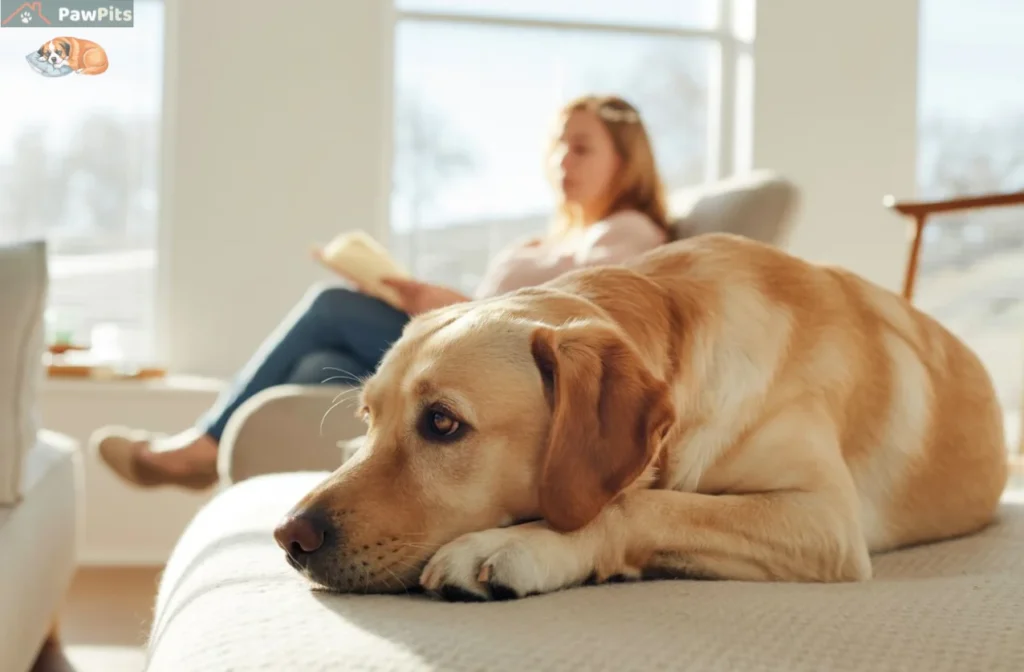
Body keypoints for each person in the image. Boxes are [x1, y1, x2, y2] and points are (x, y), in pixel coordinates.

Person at [92, 94, 674, 489]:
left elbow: (576, 321)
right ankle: (282, 479)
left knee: (330, 308)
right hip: (462, 346)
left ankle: (203, 446)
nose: (561, 160)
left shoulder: (629, 234)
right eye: (557, 145)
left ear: (626, 162)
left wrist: (445, 306)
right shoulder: (546, 240)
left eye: (581, 147)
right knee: (321, 362)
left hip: (493, 364)